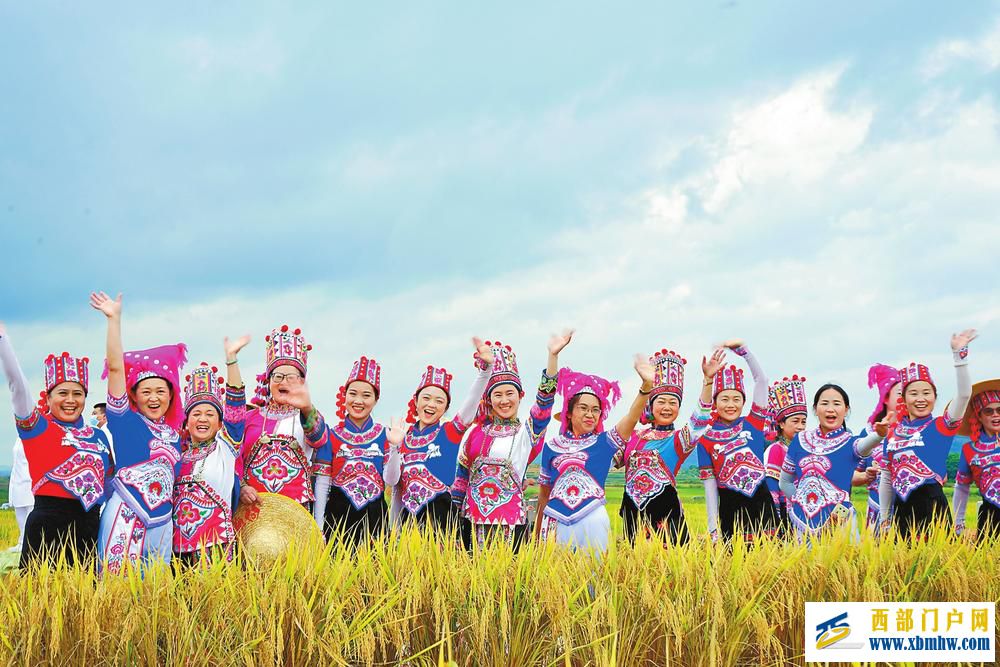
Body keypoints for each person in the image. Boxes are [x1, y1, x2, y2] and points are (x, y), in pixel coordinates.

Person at [0, 322, 111, 568]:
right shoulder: (39, 429)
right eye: (62, 393)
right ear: (48, 397)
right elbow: (17, 387)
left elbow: (111, 483)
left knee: (87, 604)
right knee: (43, 600)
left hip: (89, 529)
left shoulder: (99, 437)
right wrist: (3, 342)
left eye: (77, 393)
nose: (70, 400)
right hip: (47, 528)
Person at [90, 291, 186, 573]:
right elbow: (117, 368)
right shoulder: (125, 421)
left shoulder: (175, 434)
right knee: (117, 597)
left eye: (161, 391)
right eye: (146, 391)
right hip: (126, 513)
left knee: (155, 601)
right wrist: (114, 320)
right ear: (134, 396)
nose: (154, 397)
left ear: (171, 396)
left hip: (162, 522)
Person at [451, 332, 570, 550]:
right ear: (488, 399)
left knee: (509, 581)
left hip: (511, 523)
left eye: (509, 393)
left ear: (520, 395)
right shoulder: (473, 433)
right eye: (498, 395)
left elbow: (544, 405)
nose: (504, 400)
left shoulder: (525, 435)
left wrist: (552, 358)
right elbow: (460, 481)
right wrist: (453, 529)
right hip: (471, 522)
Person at [534, 358, 645, 552]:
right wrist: (536, 538)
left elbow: (631, 417)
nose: (590, 414)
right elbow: (544, 495)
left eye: (595, 410)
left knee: (593, 576)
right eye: (583, 408)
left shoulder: (604, 443)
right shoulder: (552, 446)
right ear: (568, 413)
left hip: (592, 519)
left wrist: (646, 387)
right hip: (554, 521)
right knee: (554, 578)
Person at [615, 348, 724, 545]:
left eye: (673, 402)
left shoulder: (679, 440)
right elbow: (609, 455)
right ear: (650, 405)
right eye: (662, 401)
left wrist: (708, 382)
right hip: (634, 518)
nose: (667, 407)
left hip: (667, 520)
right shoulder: (633, 437)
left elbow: (699, 420)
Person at [388, 338, 495, 533]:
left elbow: (470, 404)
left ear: (445, 408)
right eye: (426, 398)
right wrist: (392, 533)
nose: (431, 405)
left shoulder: (449, 433)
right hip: (407, 524)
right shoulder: (403, 437)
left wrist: (485, 371)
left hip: (441, 521)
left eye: (439, 401)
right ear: (416, 401)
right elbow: (396, 489)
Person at [879, 330, 978, 539]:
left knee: (935, 567)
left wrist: (959, 357)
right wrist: (885, 518)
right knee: (903, 568)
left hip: (932, 506)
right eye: (913, 393)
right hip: (901, 509)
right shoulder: (892, 435)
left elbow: (963, 395)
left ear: (935, 396)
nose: (920, 398)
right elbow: (887, 479)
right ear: (903, 400)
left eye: (926, 392)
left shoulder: (941, 426)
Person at [172, 335, 250, 564]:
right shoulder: (177, 457)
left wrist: (231, 360)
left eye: (210, 414)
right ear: (186, 422)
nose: (202, 419)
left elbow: (236, 411)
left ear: (219, 423)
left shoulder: (225, 448)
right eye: (196, 414)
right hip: (177, 551)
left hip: (215, 547)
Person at [778, 384, 891, 540]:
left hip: (839, 520)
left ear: (846, 410)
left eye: (836, 404)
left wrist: (878, 435)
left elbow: (864, 446)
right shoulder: (800, 440)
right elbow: (785, 482)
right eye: (825, 403)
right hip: (804, 523)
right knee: (803, 564)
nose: (830, 409)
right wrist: (801, 503)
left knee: (845, 562)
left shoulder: (850, 443)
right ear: (815, 409)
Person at [312, 356, 402, 546]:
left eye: (366, 395)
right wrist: (318, 528)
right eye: (353, 394)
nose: (358, 401)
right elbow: (322, 483)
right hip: (338, 517)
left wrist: (395, 447)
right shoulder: (331, 435)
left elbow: (391, 481)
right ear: (344, 396)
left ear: (376, 400)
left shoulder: (385, 435)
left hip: (375, 518)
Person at [697, 341, 778, 542]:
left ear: (743, 401)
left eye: (736, 399)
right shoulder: (705, 438)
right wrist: (712, 527)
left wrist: (744, 351)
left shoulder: (754, 423)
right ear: (715, 402)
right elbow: (710, 487)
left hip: (762, 504)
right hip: (730, 509)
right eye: (724, 399)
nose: (731, 404)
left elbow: (762, 380)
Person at [240, 325, 329, 507]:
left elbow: (319, 439)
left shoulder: (306, 416)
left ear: (301, 381)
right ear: (268, 380)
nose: (284, 382)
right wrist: (241, 487)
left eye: (291, 377)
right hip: (254, 508)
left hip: (295, 510)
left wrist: (306, 407)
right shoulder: (250, 417)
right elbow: (235, 459)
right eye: (278, 376)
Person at [952, 378, 1000, 542]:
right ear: (978, 416)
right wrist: (959, 524)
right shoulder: (969, 450)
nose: (995, 415)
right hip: (990, 517)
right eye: (989, 411)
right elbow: (962, 488)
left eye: (999, 410)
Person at [855, 364, 902, 532]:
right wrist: (866, 475)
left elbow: (941, 474)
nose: (906, 398)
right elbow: (851, 475)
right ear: (886, 398)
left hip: (911, 505)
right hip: (877, 506)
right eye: (900, 393)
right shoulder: (869, 433)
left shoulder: (919, 432)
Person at [763, 375, 808, 533]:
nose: (800, 427)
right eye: (795, 421)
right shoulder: (776, 450)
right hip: (785, 514)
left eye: (803, 421)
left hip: (808, 510)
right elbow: (772, 489)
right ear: (781, 423)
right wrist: (776, 521)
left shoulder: (807, 449)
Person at [7, 438, 33, 553]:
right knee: (20, 516)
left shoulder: (37, 433)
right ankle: (21, 543)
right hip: (18, 482)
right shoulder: (18, 438)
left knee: (30, 517)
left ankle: (28, 545)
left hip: (31, 482)